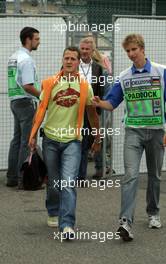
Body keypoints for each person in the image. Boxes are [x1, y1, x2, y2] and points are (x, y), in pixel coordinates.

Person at [92, 33, 166, 241]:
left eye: (133, 50)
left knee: (155, 175)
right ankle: (125, 222)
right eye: (127, 51)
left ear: (142, 49)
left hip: (157, 131)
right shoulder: (123, 76)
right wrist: (98, 102)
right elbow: (112, 103)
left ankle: (153, 212)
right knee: (130, 175)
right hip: (133, 132)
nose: (130, 54)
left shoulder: (161, 71)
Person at [29, 47, 101, 238]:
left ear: (78, 62)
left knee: (68, 182)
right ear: (62, 60)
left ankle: (67, 224)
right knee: (54, 182)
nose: (69, 61)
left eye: (73, 59)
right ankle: (53, 211)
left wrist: (97, 137)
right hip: (51, 139)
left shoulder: (85, 86)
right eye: (66, 58)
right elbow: (41, 111)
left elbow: (92, 114)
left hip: (73, 142)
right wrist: (33, 135)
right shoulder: (50, 83)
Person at [6, 27, 40, 189]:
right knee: (27, 141)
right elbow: (28, 86)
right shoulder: (26, 60)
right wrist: (42, 96)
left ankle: (12, 177)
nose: (38, 42)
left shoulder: (14, 57)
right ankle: (24, 179)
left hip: (15, 100)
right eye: (36, 39)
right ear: (28, 39)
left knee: (17, 140)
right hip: (26, 102)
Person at [78, 36, 110, 181]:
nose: (84, 52)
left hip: (93, 109)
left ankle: (99, 169)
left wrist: (102, 106)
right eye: (82, 49)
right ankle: (80, 175)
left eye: (87, 49)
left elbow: (104, 90)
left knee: (96, 138)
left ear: (92, 51)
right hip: (76, 110)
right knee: (80, 142)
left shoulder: (99, 68)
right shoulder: (72, 64)